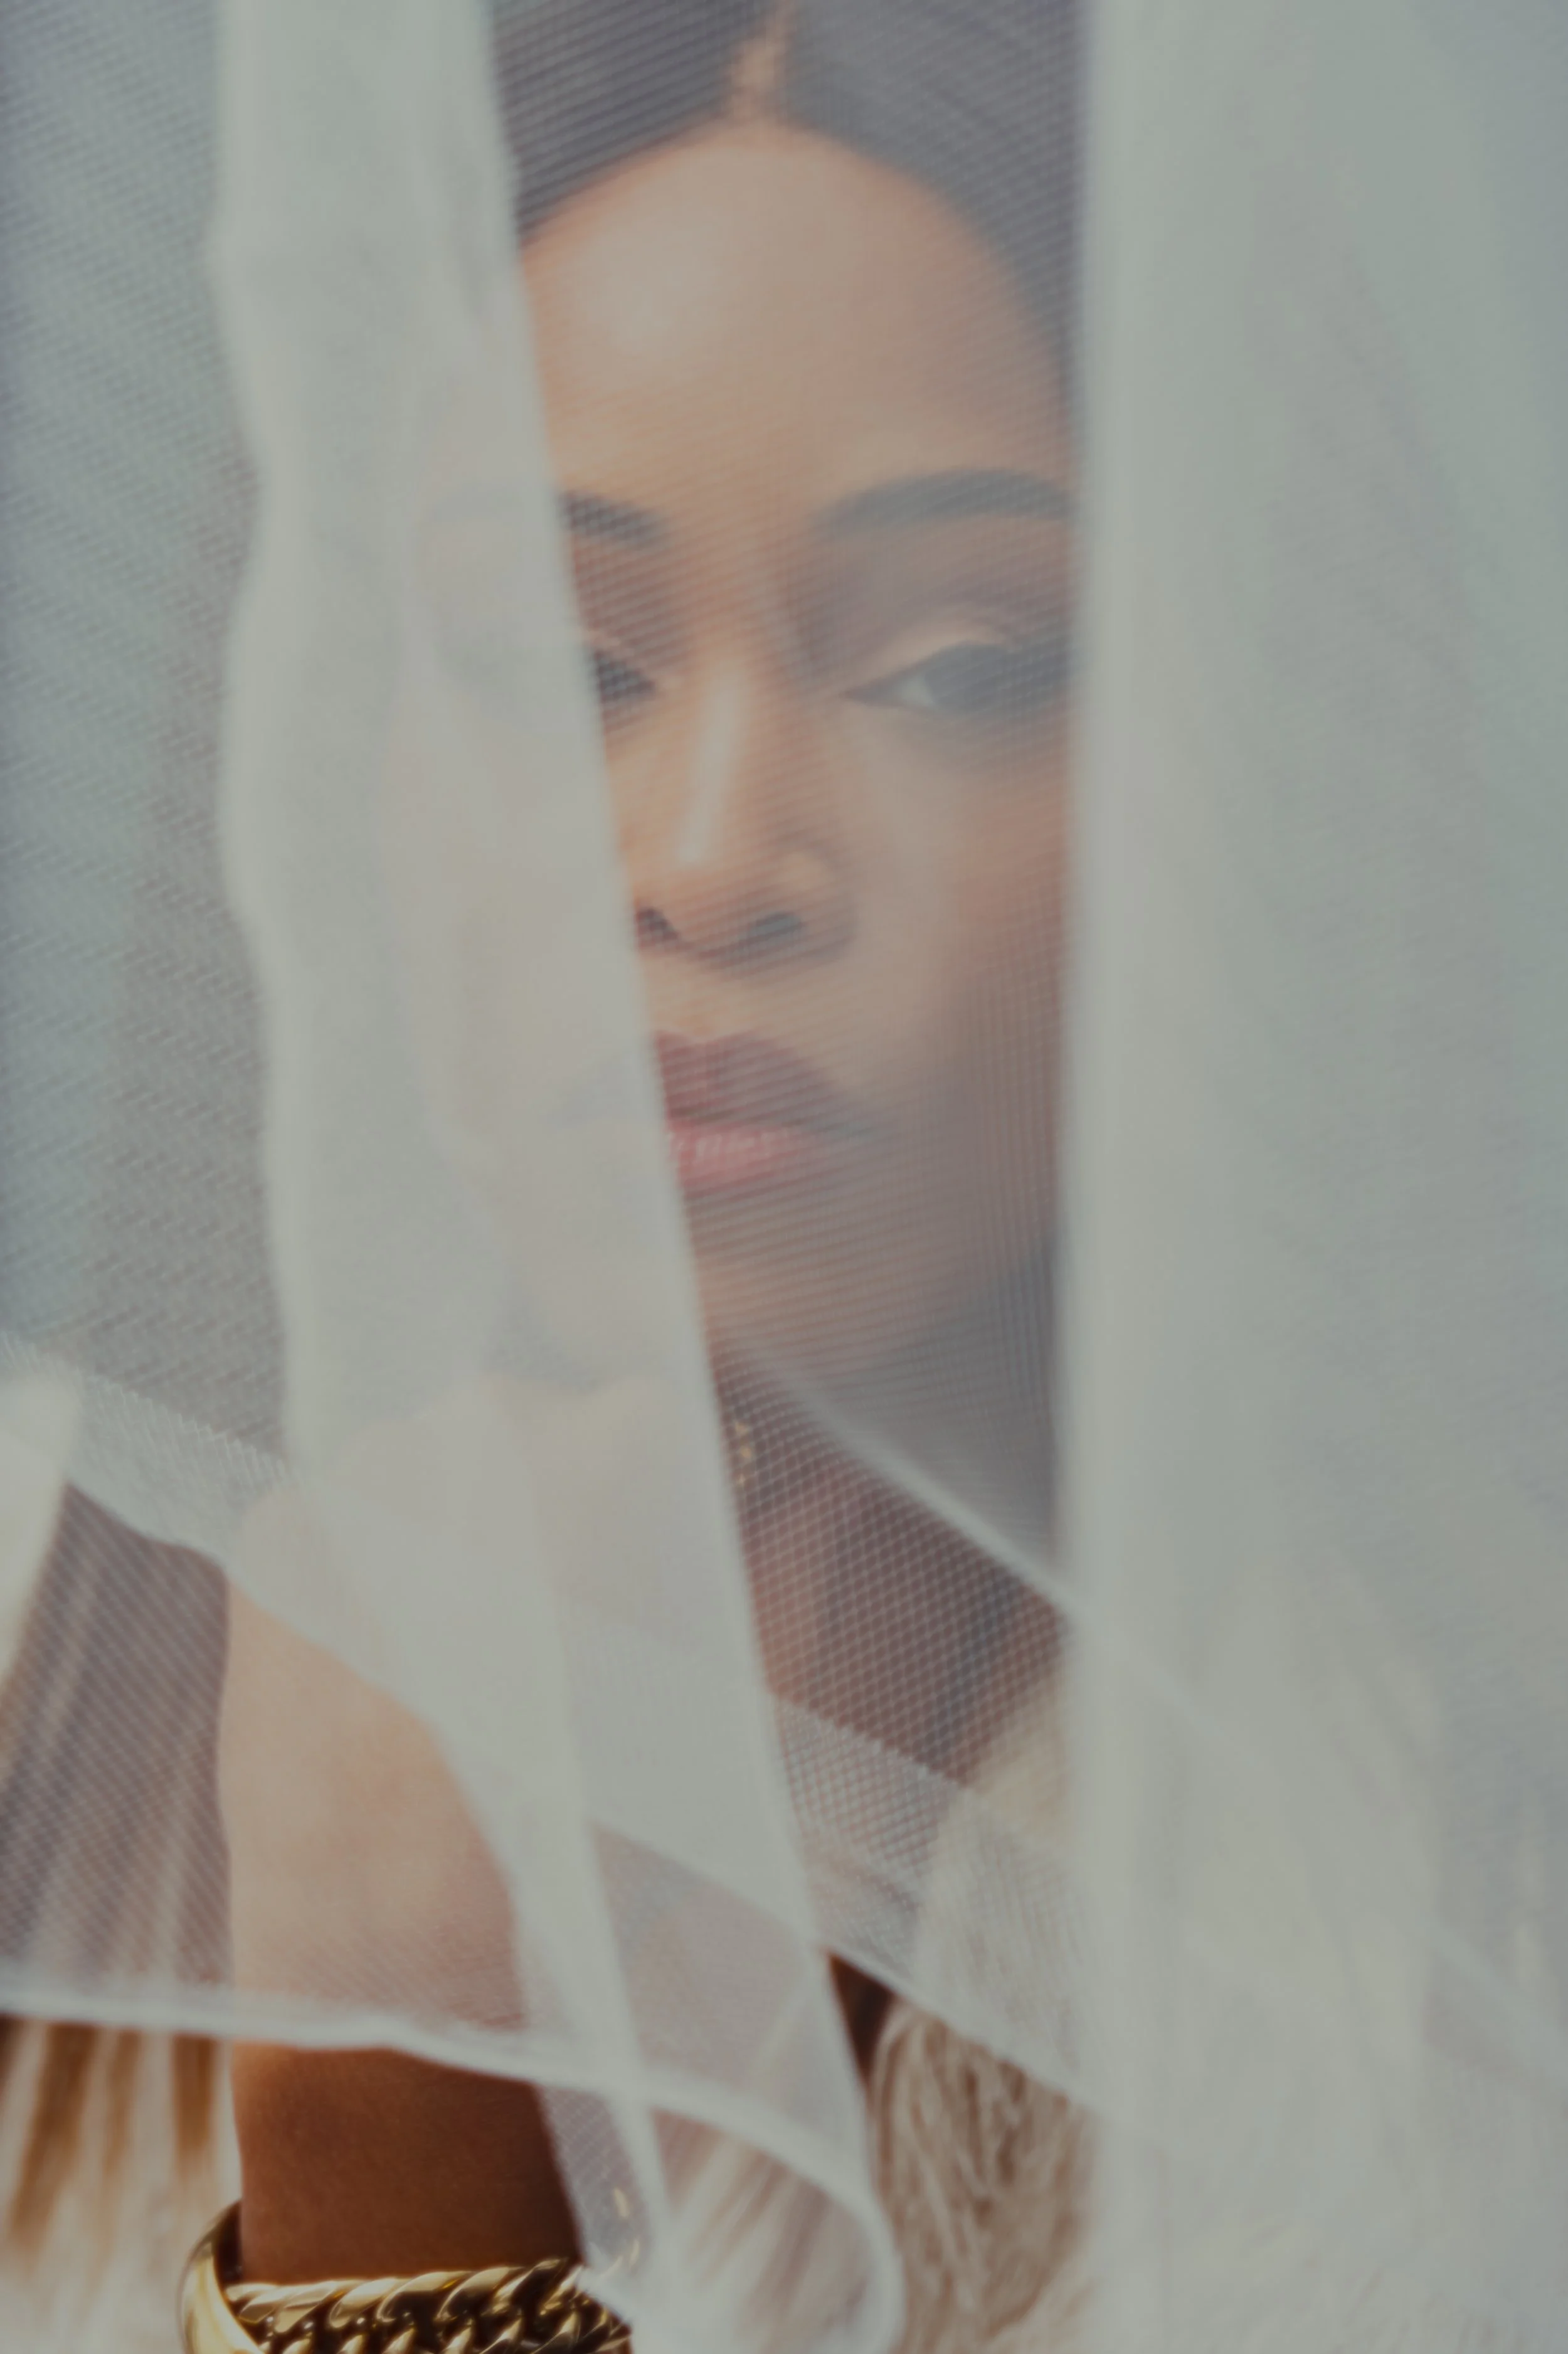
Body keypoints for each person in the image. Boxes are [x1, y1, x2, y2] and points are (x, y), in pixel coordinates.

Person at [3, 4, 1086, 2348]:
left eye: (971, 663)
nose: (713, 867)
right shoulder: (24, 1579)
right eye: (546, 654)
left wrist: (396, 2156)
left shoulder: (1424, 1903)